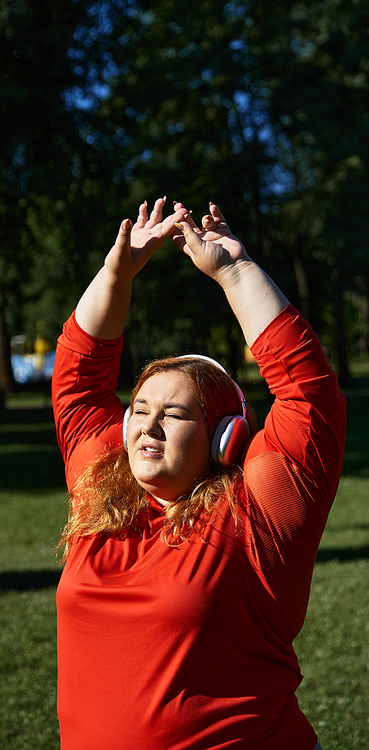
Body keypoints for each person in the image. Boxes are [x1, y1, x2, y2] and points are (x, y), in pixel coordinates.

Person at [51, 196, 346, 750]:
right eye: (138, 409)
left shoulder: (255, 517)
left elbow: (309, 395)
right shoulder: (99, 499)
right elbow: (78, 378)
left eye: (175, 413)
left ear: (222, 437)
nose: (147, 426)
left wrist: (234, 271)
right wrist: (118, 271)